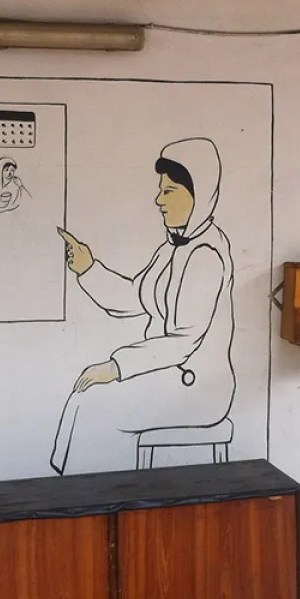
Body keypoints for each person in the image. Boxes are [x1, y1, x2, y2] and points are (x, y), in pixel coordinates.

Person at [51, 138, 236, 475]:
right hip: (168, 373)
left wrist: (116, 367)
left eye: (169, 191)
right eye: (160, 190)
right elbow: (134, 296)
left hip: (197, 385)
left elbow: (183, 342)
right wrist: (87, 268)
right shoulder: (173, 247)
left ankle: (103, 499)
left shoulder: (206, 254)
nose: (158, 200)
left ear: (198, 195)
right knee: (84, 398)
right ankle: (77, 496)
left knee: (96, 407)